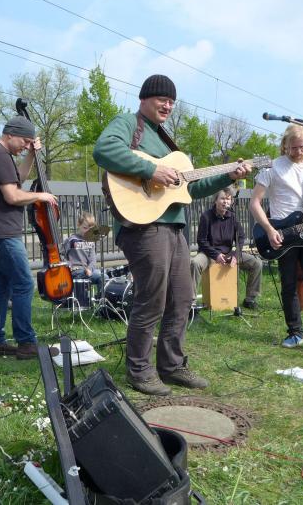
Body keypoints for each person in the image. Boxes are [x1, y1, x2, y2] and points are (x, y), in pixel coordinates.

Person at [94, 74, 251, 396]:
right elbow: (104, 150)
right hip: (143, 227)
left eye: (171, 102)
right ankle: (139, 370)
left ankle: (172, 365)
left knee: (182, 297)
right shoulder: (128, 124)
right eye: (161, 99)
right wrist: (151, 170)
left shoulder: (167, 142)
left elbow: (190, 189)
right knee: (152, 299)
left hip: (174, 227)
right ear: (144, 99)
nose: (167, 105)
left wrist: (228, 176)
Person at [0, 114, 59, 359]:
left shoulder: (1, 155)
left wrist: (31, 154)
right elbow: (12, 195)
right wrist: (40, 196)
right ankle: (26, 343)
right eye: (24, 141)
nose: (25, 146)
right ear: (10, 134)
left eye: (29, 143)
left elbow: (18, 179)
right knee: (24, 283)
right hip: (2, 234)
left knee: (3, 285)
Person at [249, 124, 303, 350]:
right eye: (293, 147)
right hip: (283, 234)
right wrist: (269, 230)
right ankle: (294, 333)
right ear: (284, 145)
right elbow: (255, 203)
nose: (298, 151)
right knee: (288, 284)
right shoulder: (272, 167)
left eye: (302, 147)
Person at [190, 187, 262, 309]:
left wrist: (235, 255)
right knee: (195, 263)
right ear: (215, 200)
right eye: (222, 198)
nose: (225, 202)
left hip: (228, 253)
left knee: (257, 263)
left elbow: (240, 237)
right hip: (209, 254)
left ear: (231, 201)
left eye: (228, 199)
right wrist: (216, 255)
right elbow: (201, 241)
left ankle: (250, 299)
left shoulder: (233, 216)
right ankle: (191, 302)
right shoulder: (206, 216)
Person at [62, 212, 103, 291]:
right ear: (78, 225)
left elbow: (93, 259)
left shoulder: (91, 241)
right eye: (85, 228)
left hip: (87, 271)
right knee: (83, 275)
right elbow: (62, 255)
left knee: (104, 277)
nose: (87, 231)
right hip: (75, 271)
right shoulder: (71, 240)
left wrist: (89, 269)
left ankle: (100, 298)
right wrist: (69, 266)